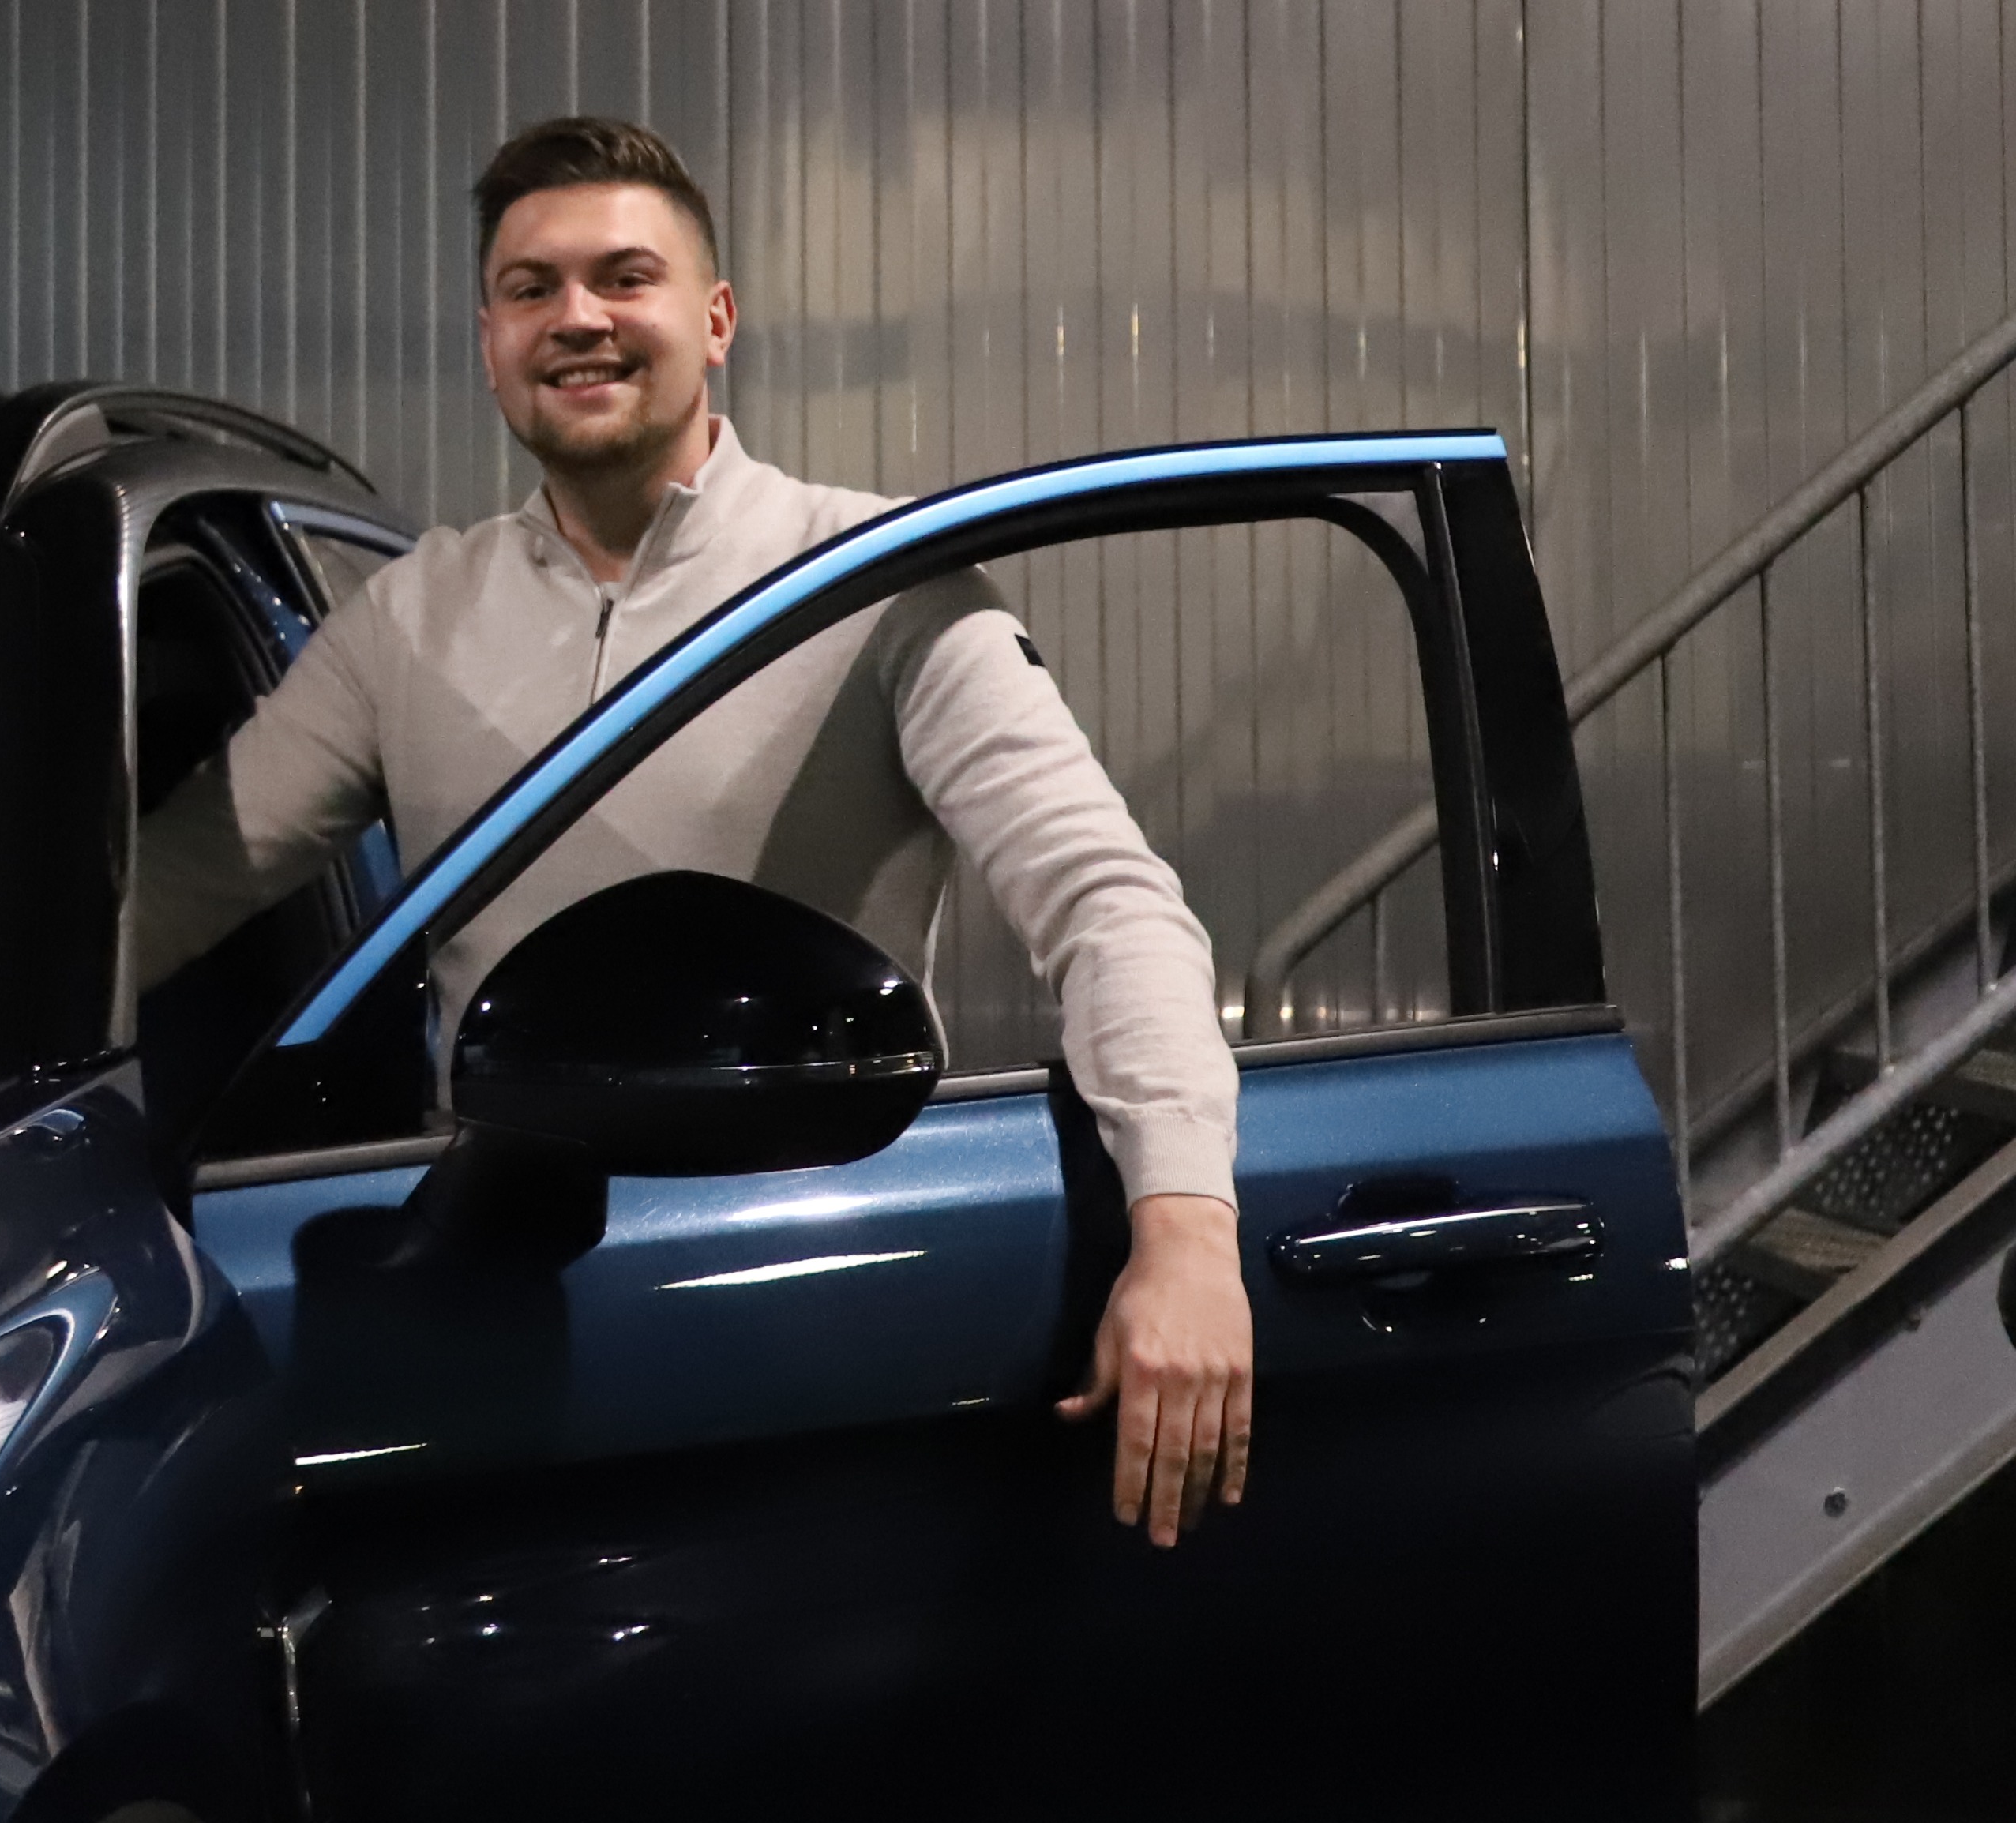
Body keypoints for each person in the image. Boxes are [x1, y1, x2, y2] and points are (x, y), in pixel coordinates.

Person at [133, 116, 1257, 1545]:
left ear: (715, 319)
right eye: (532, 288)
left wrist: (1185, 1228)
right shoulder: (404, 622)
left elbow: (1111, 904)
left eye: (625, 278)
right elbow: (174, 885)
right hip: (493, 1322)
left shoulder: (879, 582)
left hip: (814, 1315)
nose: (578, 317)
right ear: (489, 339)